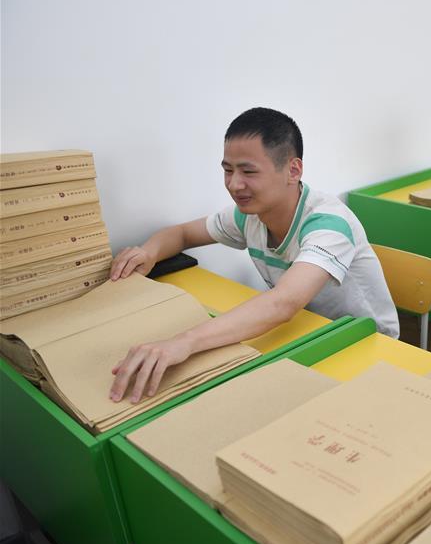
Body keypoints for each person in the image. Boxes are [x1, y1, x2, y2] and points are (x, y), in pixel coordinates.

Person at [107, 107, 399, 403]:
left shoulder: (329, 224)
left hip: (370, 348)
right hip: (303, 333)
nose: (234, 184)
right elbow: (181, 234)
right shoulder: (251, 215)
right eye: (227, 170)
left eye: (248, 171)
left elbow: (284, 303)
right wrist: (148, 252)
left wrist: (185, 341)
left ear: (293, 170)